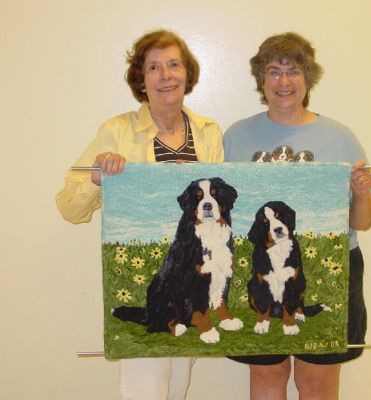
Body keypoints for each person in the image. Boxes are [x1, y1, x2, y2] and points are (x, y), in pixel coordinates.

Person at [56, 29, 224, 400]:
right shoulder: (116, 131)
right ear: (141, 79)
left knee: (178, 386)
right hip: (144, 276)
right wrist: (97, 179)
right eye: (154, 67)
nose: (166, 75)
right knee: (146, 390)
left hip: (193, 276)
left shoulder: (209, 132)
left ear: (187, 73)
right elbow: (69, 207)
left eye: (174, 65)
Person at [223, 32, 371, 400]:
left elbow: (363, 221)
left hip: (333, 267)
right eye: (274, 71)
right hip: (258, 268)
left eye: (293, 71)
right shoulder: (235, 136)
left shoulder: (340, 137)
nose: (284, 82)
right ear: (261, 79)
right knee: (267, 374)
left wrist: (360, 193)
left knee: (318, 380)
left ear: (308, 78)